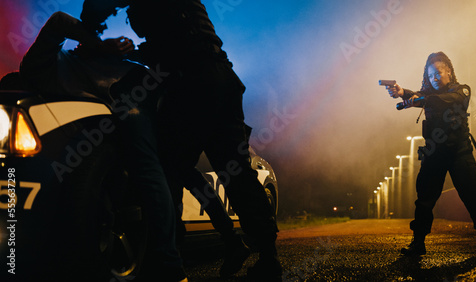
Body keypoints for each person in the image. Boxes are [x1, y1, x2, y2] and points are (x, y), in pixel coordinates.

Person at [80, 1, 282, 280]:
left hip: (193, 83)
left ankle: (169, 259)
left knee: (166, 168)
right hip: (222, 77)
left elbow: (100, 7)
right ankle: (267, 257)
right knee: (236, 171)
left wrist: (92, 34)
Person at [16, 11, 187, 281]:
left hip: (130, 88)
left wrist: (112, 48)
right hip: (112, 103)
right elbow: (60, 22)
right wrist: (100, 45)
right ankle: (166, 262)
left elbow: (60, 21)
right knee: (140, 167)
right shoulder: (45, 70)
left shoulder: (61, 65)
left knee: (146, 166)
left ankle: (170, 264)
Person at [386, 51, 476, 256]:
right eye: (431, 76)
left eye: (438, 73)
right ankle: (418, 243)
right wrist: (402, 92)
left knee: (474, 197)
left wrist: (418, 99)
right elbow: (422, 97)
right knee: (424, 200)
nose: (435, 78)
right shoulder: (428, 96)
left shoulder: (461, 91)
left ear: (448, 71)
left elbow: (441, 100)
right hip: (434, 155)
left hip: (460, 153)